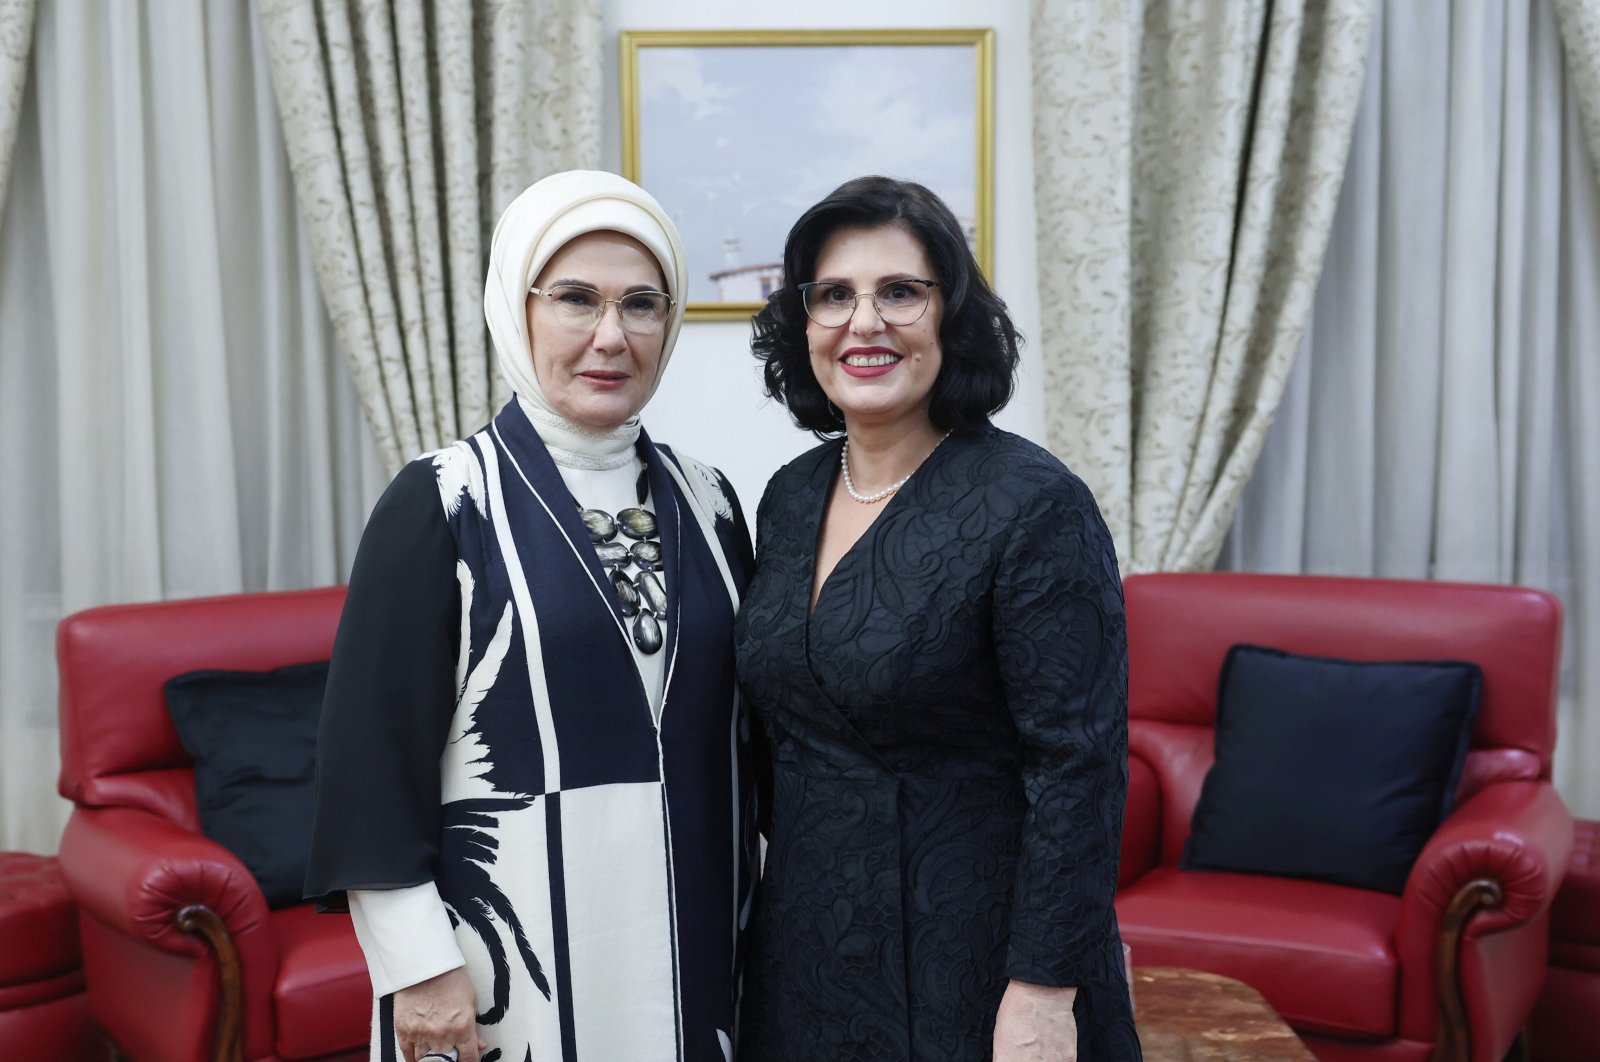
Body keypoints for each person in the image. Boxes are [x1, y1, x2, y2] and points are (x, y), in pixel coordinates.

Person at [305, 171, 757, 1062]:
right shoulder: (443, 500)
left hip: (700, 953)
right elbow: (370, 763)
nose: (610, 336)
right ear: (517, 310)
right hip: (504, 967)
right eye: (577, 300)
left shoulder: (711, 501)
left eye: (641, 305)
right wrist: (418, 969)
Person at [734, 175, 1141, 1061]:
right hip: (806, 954)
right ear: (802, 324)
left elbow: (1078, 769)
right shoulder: (789, 499)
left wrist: (1042, 992)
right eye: (834, 294)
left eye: (901, 293)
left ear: (950, 318)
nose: (864, 322)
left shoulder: (1034, 504)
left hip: (980, 959)